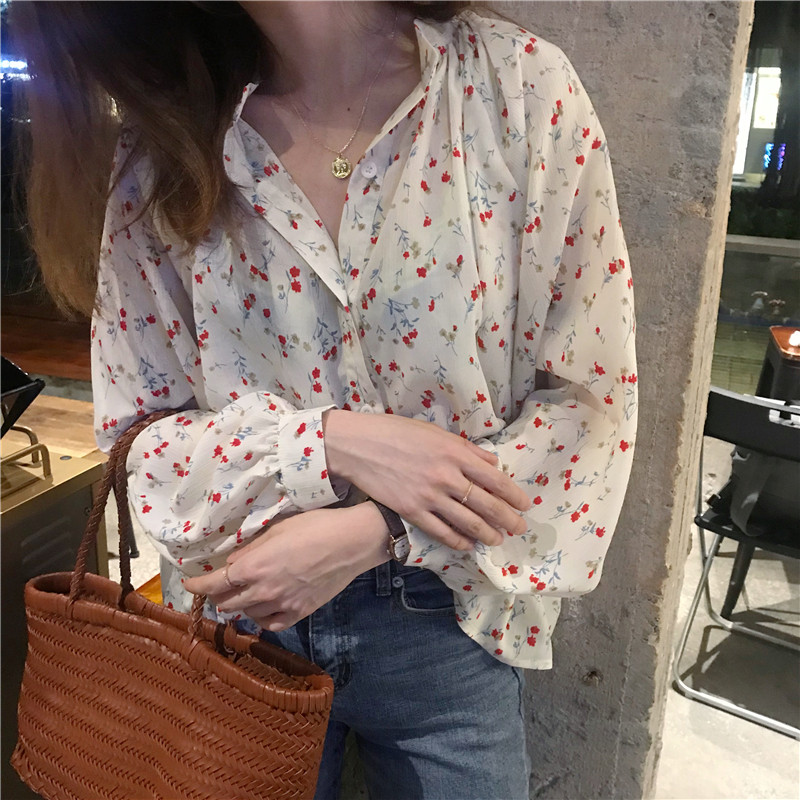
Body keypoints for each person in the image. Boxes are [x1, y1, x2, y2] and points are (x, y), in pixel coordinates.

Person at [14, 2, 637, 797]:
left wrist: (384, 530)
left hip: (450, 624)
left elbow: (591, 409)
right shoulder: (168, 142)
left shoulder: (514, 90)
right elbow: (140, 441)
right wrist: (333, 442)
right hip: (237, 626)